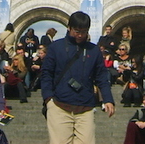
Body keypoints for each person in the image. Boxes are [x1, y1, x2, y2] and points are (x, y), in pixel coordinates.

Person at [41, 11, 115, 144]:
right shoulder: (55, 47)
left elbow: (102, 77)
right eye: (76, 31)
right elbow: (46, 74)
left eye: (84, 31)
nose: (80, 35)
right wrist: (48, 99)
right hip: (59, 105)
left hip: (85, 108)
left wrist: (108, 99)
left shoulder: (94, 50)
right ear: (69, 28)